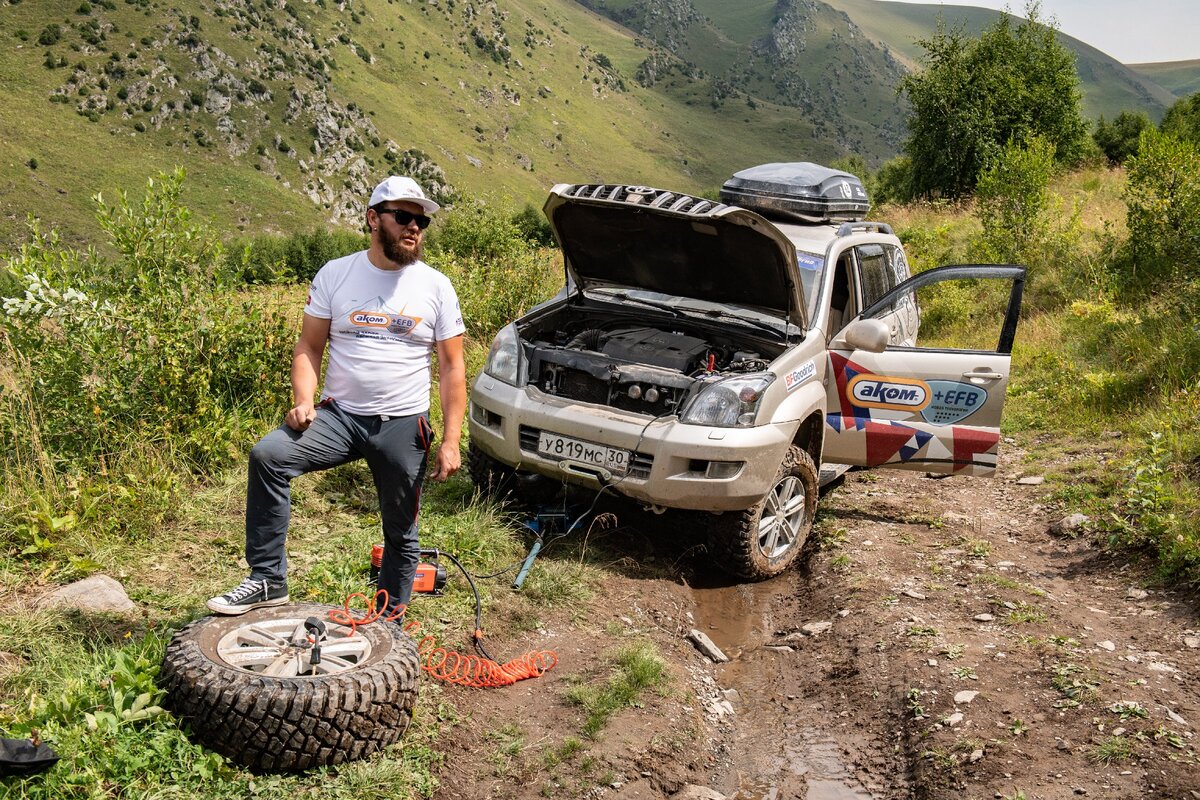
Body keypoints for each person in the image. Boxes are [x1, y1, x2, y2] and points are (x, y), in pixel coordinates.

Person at [208, 176, 466, 619]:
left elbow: (451, 366)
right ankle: (267, 580)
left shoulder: (436, 286)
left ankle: (390, 620)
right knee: (269, 456)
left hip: (404, 424)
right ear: (373, 219)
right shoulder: (336, 273)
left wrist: (451, 439)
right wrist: (304, 399)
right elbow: (309, 346)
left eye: (420, 220)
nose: (413, 228)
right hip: (339, 418)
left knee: (401, 532)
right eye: (403, 216)